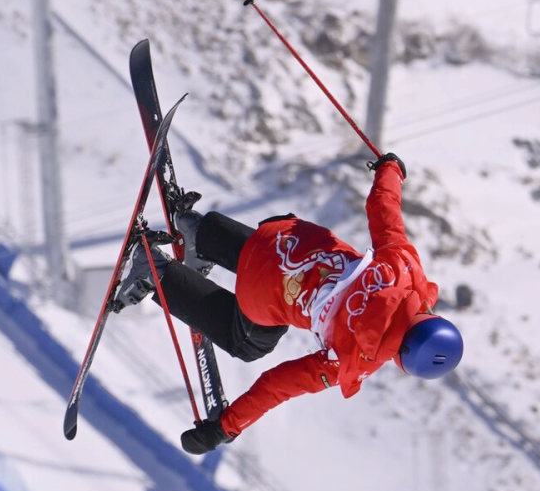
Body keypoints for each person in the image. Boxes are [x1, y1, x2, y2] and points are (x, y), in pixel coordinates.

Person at [115, 152, 465, 454]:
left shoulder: (404, 268)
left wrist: (391, 169)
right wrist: (225, 427)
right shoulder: (351, 358)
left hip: (284, 234)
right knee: (251, 343)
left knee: (285, 256)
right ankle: (154, 269)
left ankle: (195, 227)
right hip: (263, 290)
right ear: (401, 359)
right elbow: (277, 384)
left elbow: (383, 209)